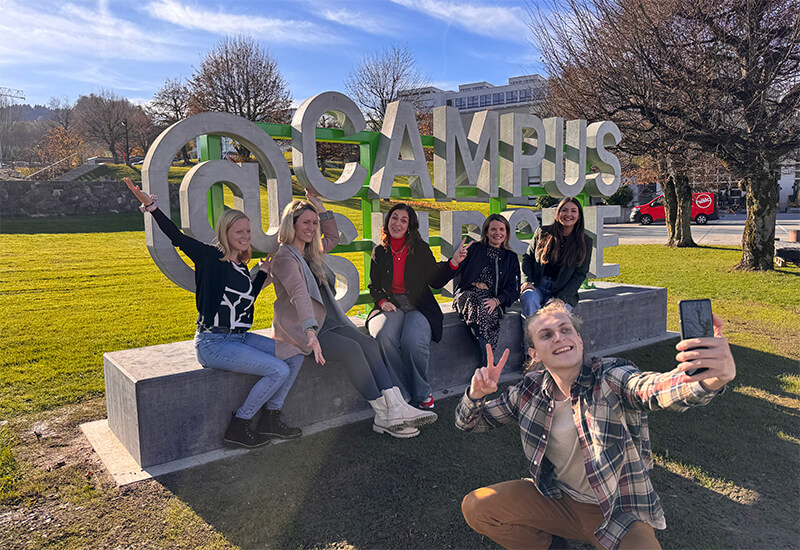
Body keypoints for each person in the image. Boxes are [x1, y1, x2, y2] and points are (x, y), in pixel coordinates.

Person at [457, 300, 736, 550]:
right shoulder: (528, 390)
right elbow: (469, 423)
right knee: (478, 507)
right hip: (557, 500)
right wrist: (475, 395)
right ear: (535, 353)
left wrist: (709, 380)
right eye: (546, 335)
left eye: (565, 330)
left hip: (617, 511)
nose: (559, 338)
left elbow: (651, 388)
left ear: (579, 340)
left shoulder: (610, 376)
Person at [123, 177, 304, 450]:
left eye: (248, 231)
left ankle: (270, 419)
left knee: (295, 356)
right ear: (225, 233)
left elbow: (245, 301)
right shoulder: (209, 258)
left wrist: (262, 273)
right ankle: (240, 425)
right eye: (239, 231)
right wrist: (152, 207)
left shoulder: (241, 266)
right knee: (278, 369)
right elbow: (177, 237)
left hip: (240, 338)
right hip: (213, 343)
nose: (245, 236)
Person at [270, 192, 437, 439]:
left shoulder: (309, 252)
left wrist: (320, 207)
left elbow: (333, 237)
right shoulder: (286, 257)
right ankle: (384, 415)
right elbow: (299, 296)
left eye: (314, 223)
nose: (312, 228)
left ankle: (396, 406)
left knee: (369, 344)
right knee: (352, 349)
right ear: (291, 224)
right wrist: (310, 331)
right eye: (306, 222)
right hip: (307, 331)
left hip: (330, 323)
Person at [366, 203, 469, 409]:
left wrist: (453, 263)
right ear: (388, 221)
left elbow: (435, 280)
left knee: (413, 342)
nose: (397, 223)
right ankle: (401, 393)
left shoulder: (419, 248)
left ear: (409, 226)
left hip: (419, 306)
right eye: (394, 218)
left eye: (404, 220)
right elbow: (374, 285)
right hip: (392, 306)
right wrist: (382, 301)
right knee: (384, 337)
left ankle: (422, 393)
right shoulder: (380, 251)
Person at [451, 213, 521, 364]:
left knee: (487, 311)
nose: (498, 233)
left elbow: (514, 290)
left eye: (502, 229)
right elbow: (454, 271)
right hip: (467, 294)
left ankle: (485, 363)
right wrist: (455, 260)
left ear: (507, 233)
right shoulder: (474, 249)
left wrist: (497, 301)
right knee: (477, 304)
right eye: (493, 229)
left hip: (492, 298)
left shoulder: (510, 258)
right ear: (486, 232)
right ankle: (488, 362)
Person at [521, 197, 592, 319]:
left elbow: (580, 274)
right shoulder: (543, 232)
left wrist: (561, 298)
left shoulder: (585, 241)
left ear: (579, 216)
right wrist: (527, 281)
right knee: (529, 299)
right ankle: (531, 331)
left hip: (562, 291)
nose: (568, 214)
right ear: (558, 213)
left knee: (556, 317)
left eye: (573, 211)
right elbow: (528, 258)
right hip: (538, 286)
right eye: (564, 210)